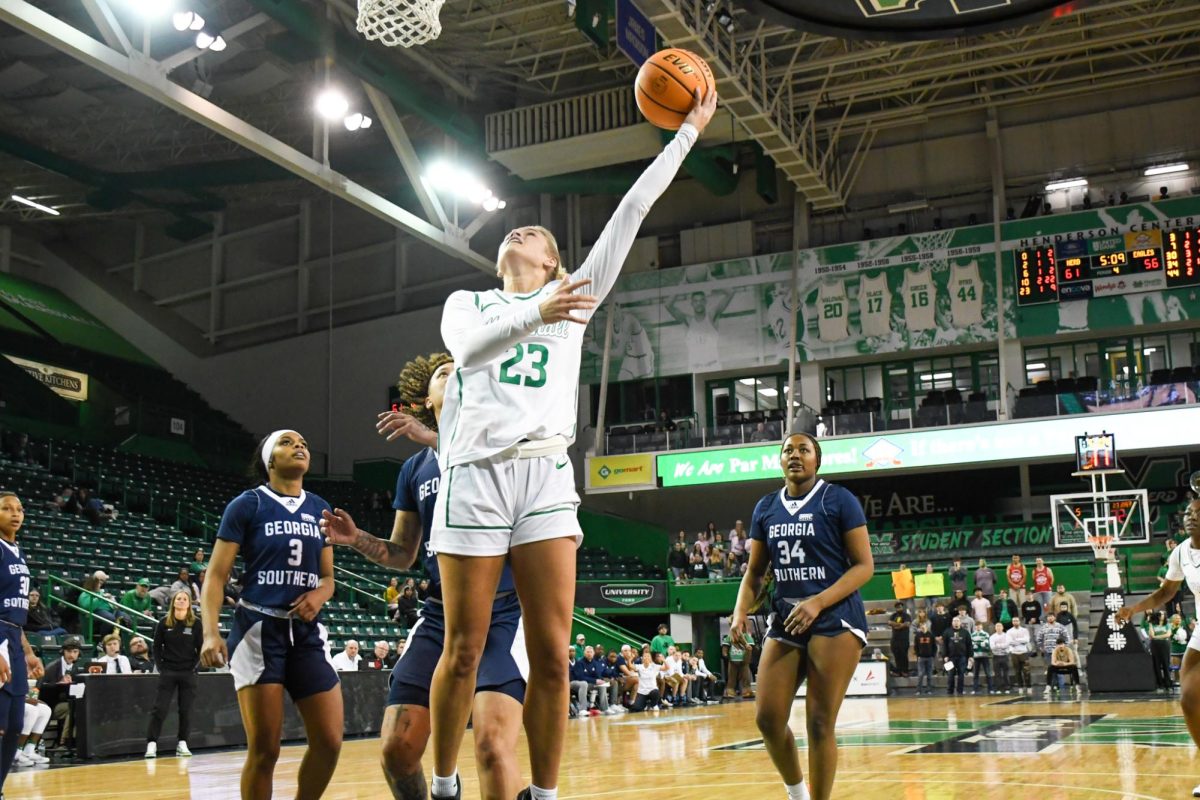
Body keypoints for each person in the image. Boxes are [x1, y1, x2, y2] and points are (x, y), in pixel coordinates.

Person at [427, 88, 717, 800]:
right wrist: (536, 309)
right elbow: (466, 352)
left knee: (553, 655)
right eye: (514, 231)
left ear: (558, 263)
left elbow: (634, 209)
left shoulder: (576, 295)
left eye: (535, 234)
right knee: (462, 650)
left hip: (545, 473)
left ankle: (548, 795)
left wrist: (686, 134)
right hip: (477, 475)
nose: (520, 231)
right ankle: (440, 783)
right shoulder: (471, 304)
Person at [322, 351, 527, 800]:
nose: (454, 377)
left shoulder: (500, 444)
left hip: (502, 612)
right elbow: (401, 553)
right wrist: (356, 539)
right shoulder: (415, 470)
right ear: (425, 400)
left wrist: (438, 440)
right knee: (397, 750)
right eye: (442, 374)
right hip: (440, 615)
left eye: (462, 372)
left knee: (492, 746)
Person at [201, 430, 342, 800]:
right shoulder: (248, 505)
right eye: (287, 442)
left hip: (306, 633)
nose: (300, 446)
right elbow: (216, 575)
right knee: (266, 751)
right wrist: (210, 633)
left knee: (329, 742)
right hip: (258, 630)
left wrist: (320, 594)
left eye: (304, 444)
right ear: (269, 460)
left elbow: (328, 578)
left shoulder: (320, 507)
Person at [731, 432, 874, 800]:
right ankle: (798, 793)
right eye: (787, 450)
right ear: (780, 460)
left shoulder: (838, 500)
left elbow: (864, 567)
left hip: (834, 616)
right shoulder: (766, 507)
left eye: (804, 449)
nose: (795, 455)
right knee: (767, 718)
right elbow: (755, 572)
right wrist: (739, 611)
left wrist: (818, 602)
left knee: (819, 722)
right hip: (787, 616)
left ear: (817, 460)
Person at [0, 493, 44, 793]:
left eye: (19, 508)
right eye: (6, 508)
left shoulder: (18, 550)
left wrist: (28, 651)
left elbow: (18, 610)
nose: (15, 513)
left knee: (15, 724)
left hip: (14, 636)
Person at [145, 589, 202, 758]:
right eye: (179, 598)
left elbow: (201, 648)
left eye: (185, 599)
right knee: (159, 708)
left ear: (189, 603)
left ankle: (182, 742)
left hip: (188, 672)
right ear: (173, 602)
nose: (182, 601)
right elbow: (156, 647)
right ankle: (152, 743)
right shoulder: (164, 622)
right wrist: (161, 666)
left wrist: (194, 666)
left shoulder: (196, 623)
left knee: (185, 710)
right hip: (168, 671)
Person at [943, 617, 971, 695]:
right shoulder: (947, 632)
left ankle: (960, 691)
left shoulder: (965, 632)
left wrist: (970, 656)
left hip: (962, 657)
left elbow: (969, 645)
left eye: (957, 621)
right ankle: (950, 691)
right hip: (950, 657)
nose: (956, 622)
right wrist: (945, 655)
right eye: (954, 621)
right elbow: (944, 645)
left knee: (961, 674)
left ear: (960, 623)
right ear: (952, 622)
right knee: (950, 675)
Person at [1145, 610, 1173, 690]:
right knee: (1156, 665)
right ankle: (1159, 683)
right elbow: (1151, 635)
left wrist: (1156, 637)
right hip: (1155, 645)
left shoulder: (1167, 624)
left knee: (1165, 663)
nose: (1161, 616)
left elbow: (1168, 634)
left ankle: (1167, 683)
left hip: (1165, 645)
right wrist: (1150, 623)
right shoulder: (1153, 624)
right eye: (1160, 614)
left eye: (1163, 614)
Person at [1006, 617, 1032, 693]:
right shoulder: (1009, 631)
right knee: (1017, 671)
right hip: (1014, 653)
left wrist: (1016, 641)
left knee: (1026, 671)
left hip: (1023, 652)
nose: (1015, 622)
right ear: (1012, 622)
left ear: (1019, 622)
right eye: (1014, 621)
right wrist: (1020, 641)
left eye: (1016, 621)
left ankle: (1029, 686)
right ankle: (1020, 687)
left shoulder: (1024, 630)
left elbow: (1026, 640)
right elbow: (1009, 642)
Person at [888, 602, 911, 677]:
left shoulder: (906, 615)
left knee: (904, 656)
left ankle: (905, 671)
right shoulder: (893, 615)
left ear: (903, 607)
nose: (899, 608)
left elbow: (907, 624)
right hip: (895, 639)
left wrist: (896, 625)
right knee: (897, 656)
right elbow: (889, 622)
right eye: (897, 607)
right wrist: (900, 625)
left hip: (904, 639)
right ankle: (898, 671)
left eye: (900, 607)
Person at [970, 620, 993, 694]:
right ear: (975, 627)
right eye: (976, 626)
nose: (978, 627)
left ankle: (990, 689)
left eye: (979, 626)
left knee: (988, 673)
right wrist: (979, 644)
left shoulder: (986, 634)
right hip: (976, 656)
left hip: (985, 656)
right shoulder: (972, 635)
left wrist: (977, 644)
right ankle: (975, 689)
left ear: (981, 626)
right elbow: (972, 646)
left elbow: (985, 645)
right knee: (975, 674)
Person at [913, 622, 936, 695]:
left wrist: (933, 655)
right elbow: (915, 646)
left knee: (929, 675)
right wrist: (918, 655)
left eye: (924, 625)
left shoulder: (931, 635)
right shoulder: (917, 635)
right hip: (921, 657)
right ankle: (918, 690)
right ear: (920, 627)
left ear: (926, 626)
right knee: (920, 674)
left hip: (929, 657)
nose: (923, 627)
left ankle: (929, 689)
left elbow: (934, 646)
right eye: (921, 626)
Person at [989, 622, 1011, 693]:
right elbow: (992, 647)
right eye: (997, 626)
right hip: (996, 656)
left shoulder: (1007, 636)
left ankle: (1007, 688)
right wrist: (1002, 646)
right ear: (995, 628)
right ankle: (998, 688)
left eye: (1000, 626)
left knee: (1006, 673)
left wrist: (998, 645)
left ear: (1002, 627)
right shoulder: (992, 637)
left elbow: (1007, 645)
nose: (998, 628)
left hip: (1005, 655)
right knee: (997, 673)